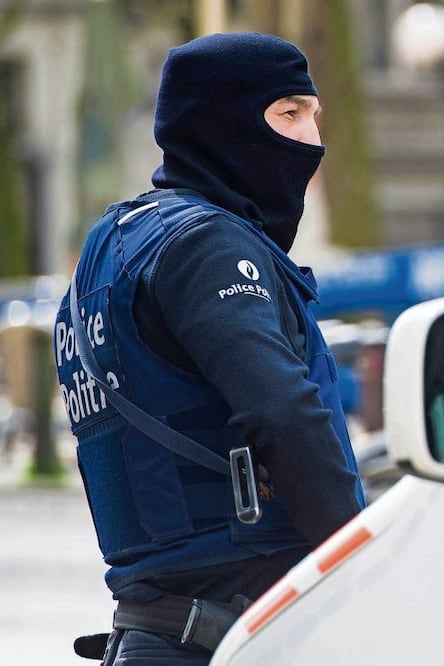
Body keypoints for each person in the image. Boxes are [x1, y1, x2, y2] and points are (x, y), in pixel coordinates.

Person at [53, 32, 365, 664]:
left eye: (314, 115)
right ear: (220, 125)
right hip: (235, 628)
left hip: (158, 623)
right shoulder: (208, 248)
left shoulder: (114, 247)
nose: (313, 139)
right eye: (288, 114)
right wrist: (362, 558)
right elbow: (284, 415)